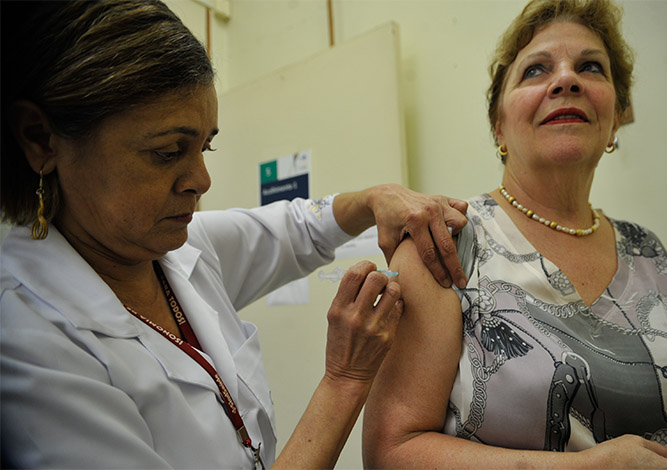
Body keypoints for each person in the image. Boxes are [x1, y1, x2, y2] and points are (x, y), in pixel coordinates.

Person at [0, 1, 469, 468]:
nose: (201, 180)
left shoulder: (169, 248)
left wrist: (375, 198)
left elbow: (297, 228)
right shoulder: (26, 342)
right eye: (167, 152)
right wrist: (345, 379)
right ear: (41, 138)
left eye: (206, 146)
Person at [362, 0, 667, 468]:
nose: (567, 80)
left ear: (615, 118)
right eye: (536, 71)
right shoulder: (444, 241)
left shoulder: (649, 252)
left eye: (590, 67)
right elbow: (390, 453)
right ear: (498, 125)